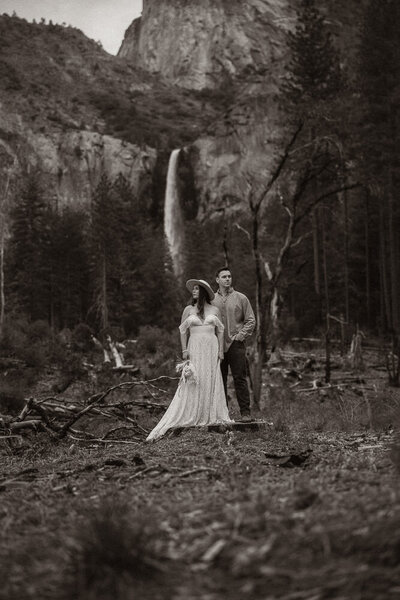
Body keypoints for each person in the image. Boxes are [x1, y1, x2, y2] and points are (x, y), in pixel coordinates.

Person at [146, 279, 233, 441]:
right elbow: (182, 330)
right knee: (194, 378)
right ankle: (192, 411)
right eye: (192, 289)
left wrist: (221, 350)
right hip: (194, 347)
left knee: (210, 378)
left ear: (204, 292)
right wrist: (184, 349)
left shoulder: (214, 309)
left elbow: (220, 330)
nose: (193, 291)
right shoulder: (188, 309)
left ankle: (209, 412)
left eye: (196, 289)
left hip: (211, 346)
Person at [212, 267, 255, 421]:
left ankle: (245, 413)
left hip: (236, 345)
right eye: (224, 276)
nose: (228, 279)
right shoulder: (211, 300)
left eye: (229, 276)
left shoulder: (241, 298)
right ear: (217, 280)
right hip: (217, 346)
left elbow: (251, 320)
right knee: (219, 380)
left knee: (240, 378)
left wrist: (240, 336)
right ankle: (223, 414)